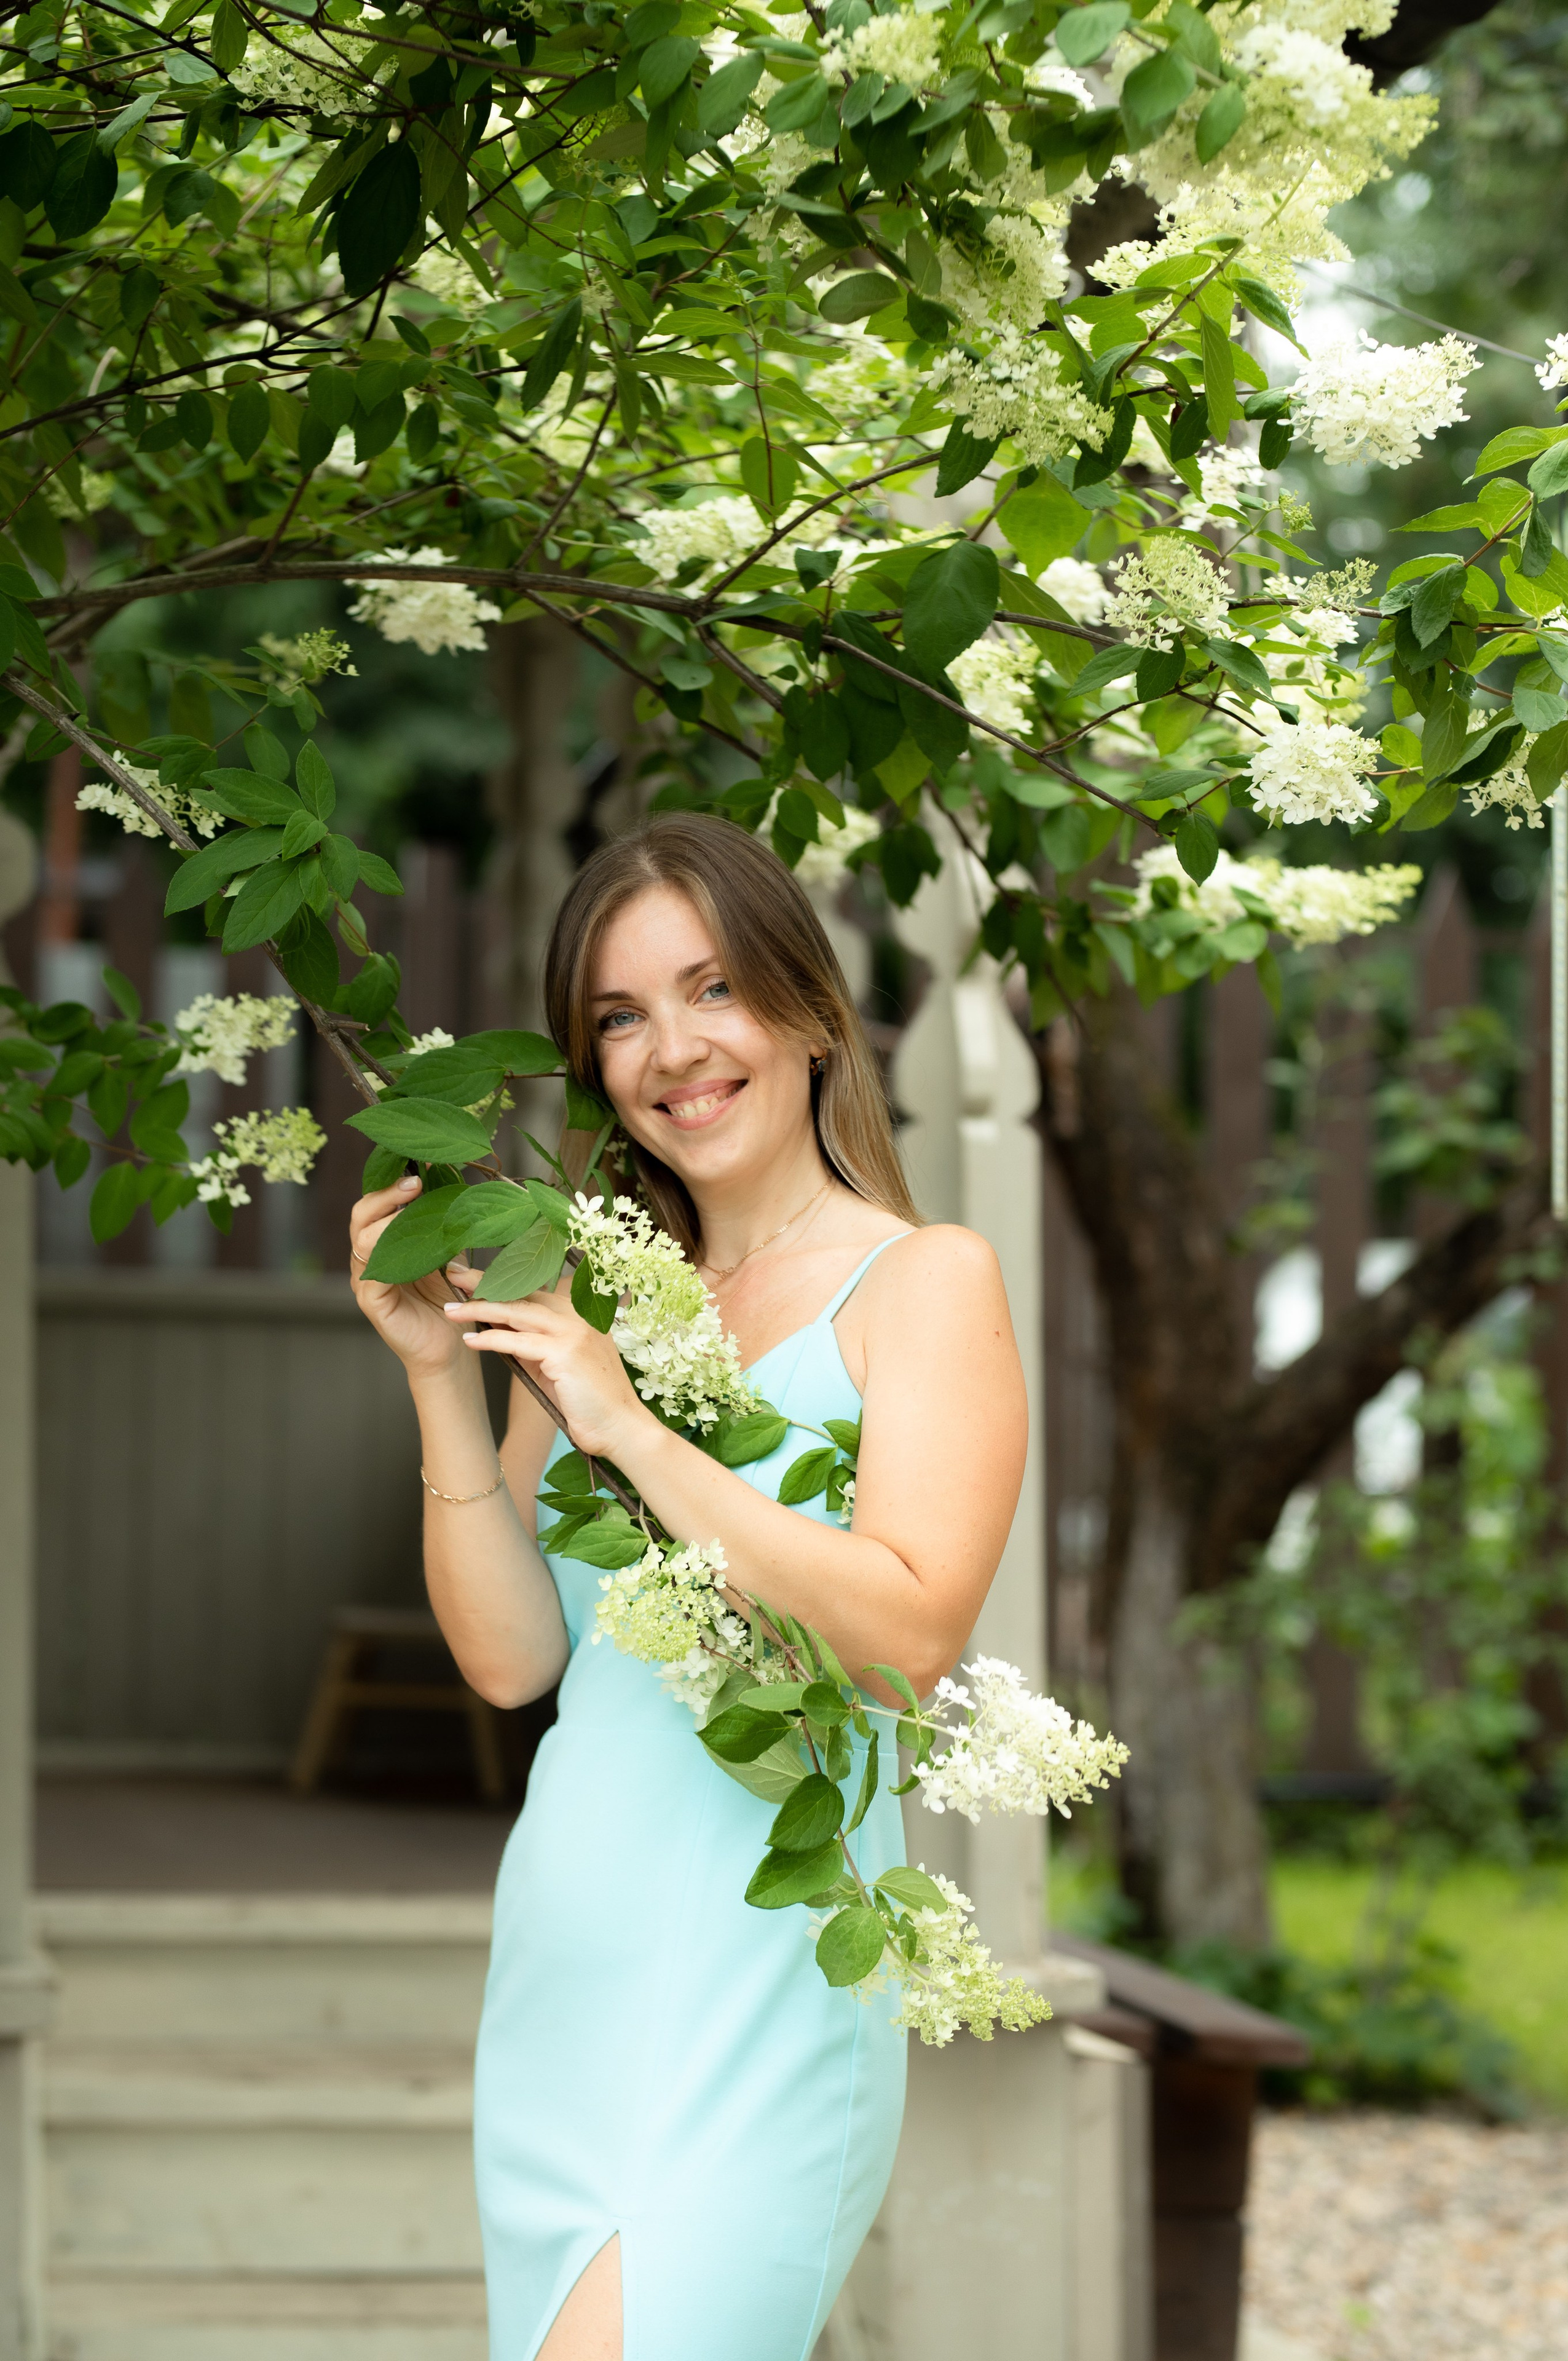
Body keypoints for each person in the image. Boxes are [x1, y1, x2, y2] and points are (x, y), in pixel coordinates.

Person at [350, 814, 1028, 2361]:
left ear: (804, 1010)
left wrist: (630, 1429)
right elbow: (517, 1661)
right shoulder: (591, 1295)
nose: (673, 1047)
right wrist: (440, 1388)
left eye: (711, 989)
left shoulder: (923, 1283)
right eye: (618, 1015)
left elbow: (906, 1642)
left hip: (766, 1993)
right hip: (563, 1986)